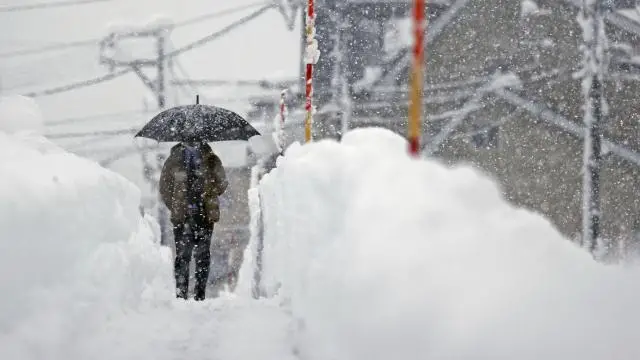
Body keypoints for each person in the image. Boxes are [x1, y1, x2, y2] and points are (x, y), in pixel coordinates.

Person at [159, 140, 228, 301]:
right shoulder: (173, 160)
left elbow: (222, 184)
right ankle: (181, 294)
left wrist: (209, 185)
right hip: (182, 218)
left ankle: (199, 294)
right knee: (183, 256)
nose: (192, 137)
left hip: (204, 215)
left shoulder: (211, 159)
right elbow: (165, 188)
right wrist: (176, 205)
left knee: (203, 256)